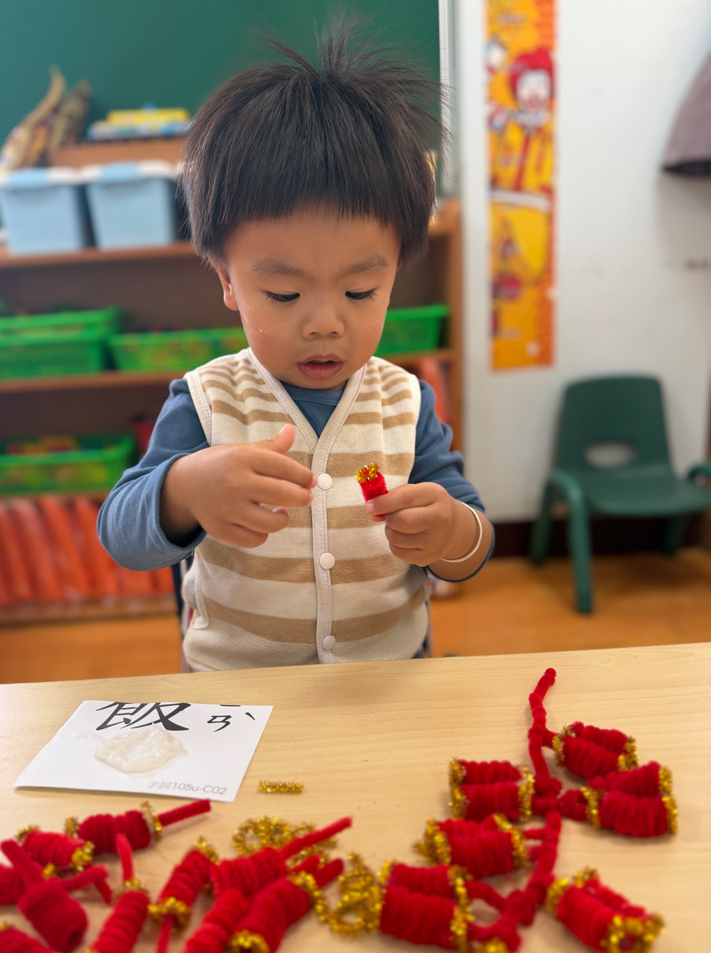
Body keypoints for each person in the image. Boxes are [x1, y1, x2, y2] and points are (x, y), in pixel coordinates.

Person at [98, 24, 494, 671]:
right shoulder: (207, 401)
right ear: (228, 280)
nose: (324, 325)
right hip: (239, 694)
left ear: (395, 271)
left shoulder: (404, 402)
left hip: (387, 680)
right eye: (284, 294)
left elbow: (469, 546)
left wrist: (452, 532)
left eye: (361, 291)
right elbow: (121, 535)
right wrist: (185, 491)